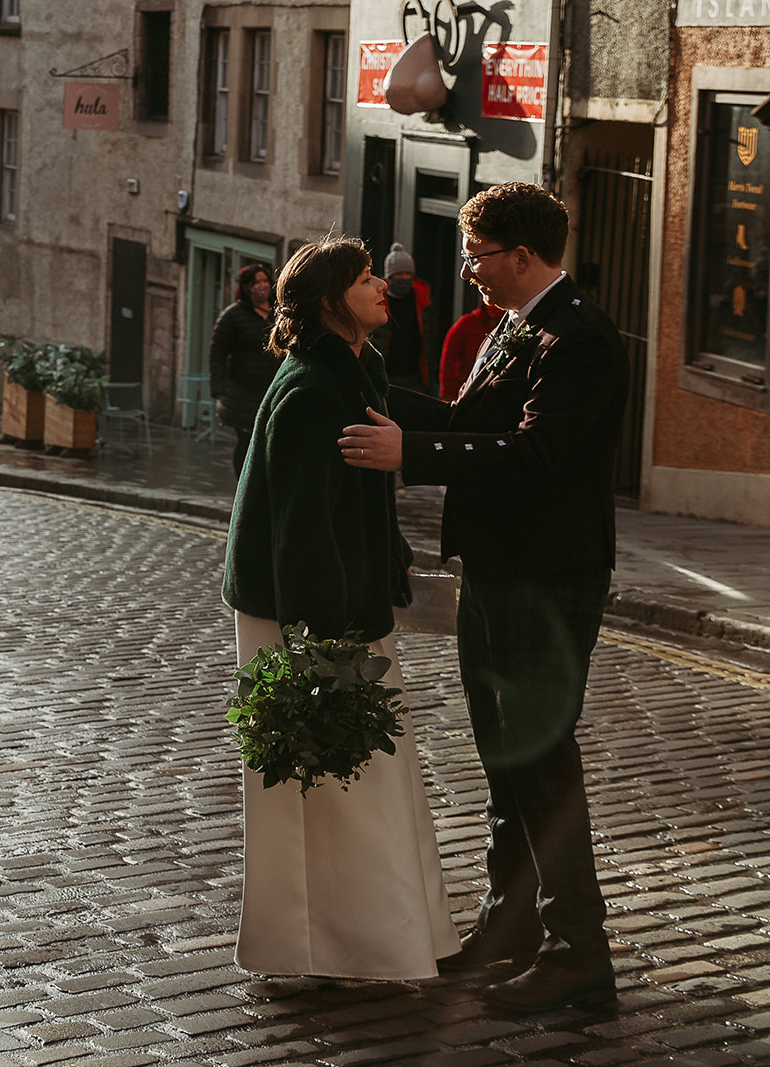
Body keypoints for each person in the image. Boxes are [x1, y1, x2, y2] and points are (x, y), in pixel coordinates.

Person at [338, 183, 628, 1012]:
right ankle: (513, 928)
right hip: (501, 567)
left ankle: (580, 951)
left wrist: (412, 452)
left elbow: (534, 454)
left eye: (477, 256)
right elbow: (472, 421)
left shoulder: (579, 338)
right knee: (506, 754)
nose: (469, 272)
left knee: (540, 754)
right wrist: (362, 380)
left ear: (523, 256)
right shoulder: (518, 323)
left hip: (550, 572)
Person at [222, 235, 458, 981]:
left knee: (370, 779)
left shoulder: (358, 370)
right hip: (304, 613)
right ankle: (325, 947)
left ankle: (392, 937)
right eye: (364, 280)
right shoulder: (308, 392)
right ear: (330, 302)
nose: (381, 287)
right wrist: (321, 649)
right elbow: (299, 534)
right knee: (320, 788)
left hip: (348, 605)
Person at [208, 263, 276, 476]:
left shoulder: (278, 314)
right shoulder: (233, 316)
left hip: (271, 389)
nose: (262, 286)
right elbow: (217, 351)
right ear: (246, 287)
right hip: (243, 391)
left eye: (265, 281)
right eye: (256, 282)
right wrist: (219, 387)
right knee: (247, 441)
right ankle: (244, 486)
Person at [372, 242, 435, 394]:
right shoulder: (376, 299)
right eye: (399, 275)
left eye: (408, 275)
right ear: (390, 277)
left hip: (414, 376)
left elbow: (430, 337)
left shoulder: (422, 300)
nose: (404, 279)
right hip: (387, 373)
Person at [438, 299, 505, 401]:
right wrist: (449, 393)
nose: (494, 308)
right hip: (462, 389)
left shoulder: (509, 327)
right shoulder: (467, 323)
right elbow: (449, 359)